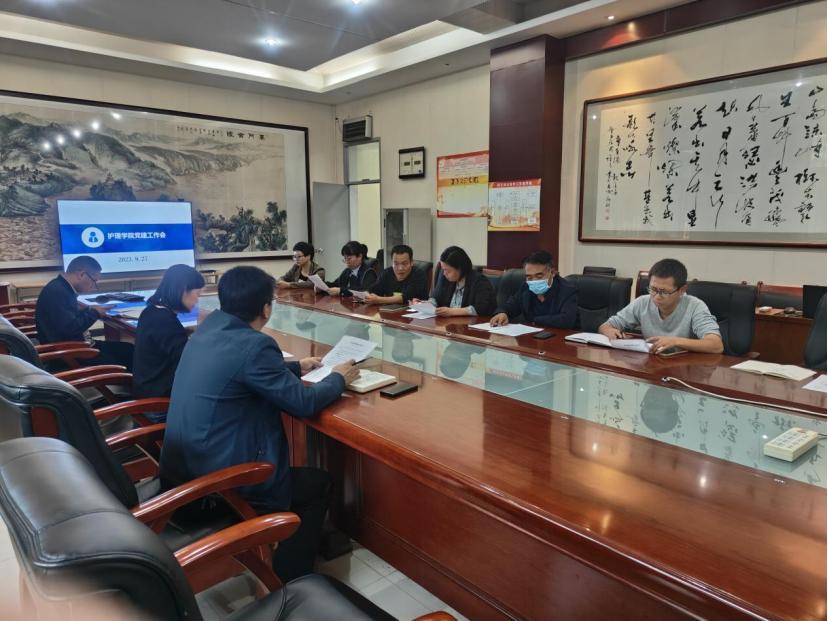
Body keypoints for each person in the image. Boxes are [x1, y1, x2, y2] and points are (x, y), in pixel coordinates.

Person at [159, 266, 359, 583]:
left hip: (181, 473)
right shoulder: (255, 345)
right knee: (317, 485)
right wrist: (338, 378)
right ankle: (291, 582)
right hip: (218, 488)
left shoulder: (208, 330)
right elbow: (303, 403)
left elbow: (238, 368)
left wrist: (295, 367)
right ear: (266, 308)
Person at [598, 258, 723, 354]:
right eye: (653, 289)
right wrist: (610, 331)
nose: (657, 296)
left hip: (685, 369)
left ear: (682, 290)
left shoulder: (695, 306)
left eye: (664, 292)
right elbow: (605, 326)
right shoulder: (642, 302)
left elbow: (716, 345)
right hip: (653, 365)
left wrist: (675, 341)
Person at [35, 255, 134, 370]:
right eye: (94, 281)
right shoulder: (58, 292)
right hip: (72, 354)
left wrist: (88, 310)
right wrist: (94, 313)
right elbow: (70, 329)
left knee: (129, 349)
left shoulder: (60, 287)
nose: (94, 287)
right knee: (128, 358)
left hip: (76, 347)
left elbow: (66, 321)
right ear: (81, 274)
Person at [132, 264, 204, 401]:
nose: (197, 301)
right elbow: (190, 359)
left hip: (148, 388)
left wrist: (186, 331)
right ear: (183, 290)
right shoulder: (165, 321)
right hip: (160, 400)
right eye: (197, 294)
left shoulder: (152, 311)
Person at [490, 251, 577, 328]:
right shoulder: (526, 287)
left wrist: (534, 320)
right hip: (532, 336)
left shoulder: (567, 290)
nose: (534, 281)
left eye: (539, 276)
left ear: (553, 273)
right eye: (529, 277)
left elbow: (566, 320)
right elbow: (511, 305)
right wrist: (502, 312)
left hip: (560, 337)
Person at [426, 247, 496, 316]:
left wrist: (452, 311)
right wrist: (428, 304)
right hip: (448, 322)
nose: (444, 273)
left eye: (448, 270)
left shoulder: (479, 281)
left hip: (469, 322)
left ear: (460, 268)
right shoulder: (445, 278)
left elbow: (481, 308)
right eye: (443, 269)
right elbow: (436, 297)